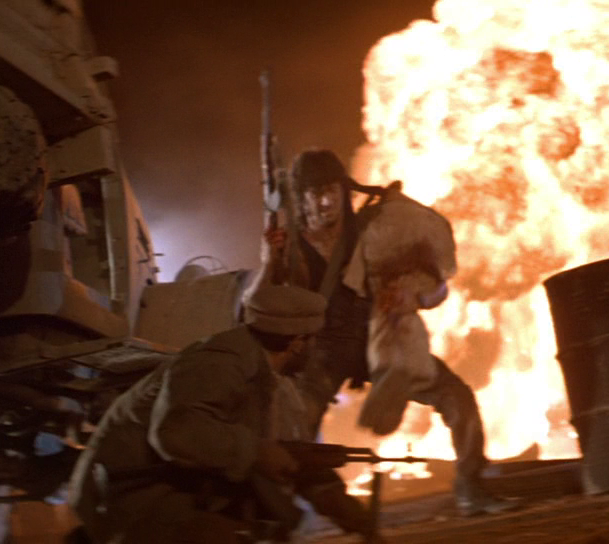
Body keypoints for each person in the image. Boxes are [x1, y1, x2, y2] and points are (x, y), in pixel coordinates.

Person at [267, 149, 517, 517]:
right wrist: (272, 260)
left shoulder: (375, 228)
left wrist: (411, 293)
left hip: (378, 339)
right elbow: (270, 304)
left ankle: (471, 487)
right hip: (324, 350)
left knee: (456, 396)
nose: (325, 201)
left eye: (332, 190)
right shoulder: (291, 247)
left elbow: (435, 287)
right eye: (315, 193)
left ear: (343, 190)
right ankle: (283, 513)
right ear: (301, 198)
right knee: (294, 425)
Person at [67, 282, 379, 543]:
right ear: (298, 343)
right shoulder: (217, 363)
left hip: (170, 494)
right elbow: (177, 434)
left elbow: (291, 455)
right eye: (313, 341)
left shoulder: (270, 380)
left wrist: (347, 511)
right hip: (127, 497)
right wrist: (255, 452)